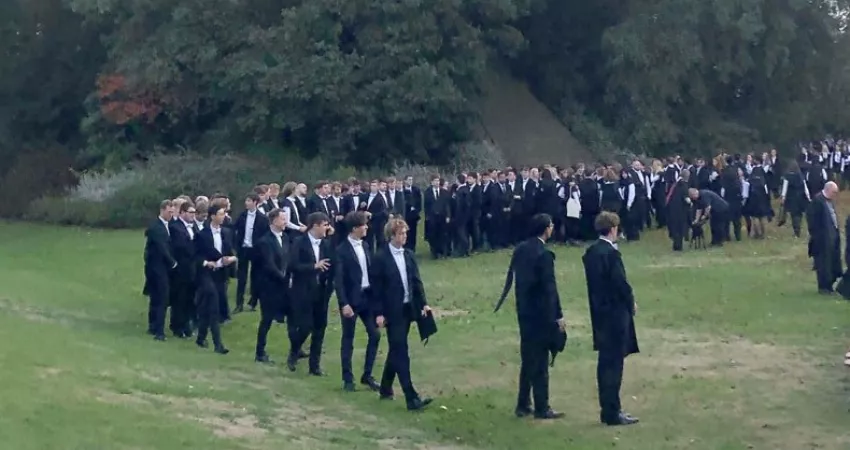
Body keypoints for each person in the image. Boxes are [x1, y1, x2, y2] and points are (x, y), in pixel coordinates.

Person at [494, 213, 566, 420]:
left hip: (524, 311)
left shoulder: (521, 249)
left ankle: (523, 403)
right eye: (551, 225)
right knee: (541, 361)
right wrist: (558, 315)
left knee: (528, 359)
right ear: (546, 229)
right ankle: (542, 407)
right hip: (541, 314)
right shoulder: (544, 255)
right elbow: (550, 289)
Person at [582, 211, 640, 426]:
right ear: (613, 228)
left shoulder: (591, 253)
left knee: (605, 363)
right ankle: (612, 411)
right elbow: (620, 283)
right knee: (614, 364)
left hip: (599, 312)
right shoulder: (611, 254)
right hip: (615, 314)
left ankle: (607, 408)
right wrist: (630, 301)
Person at [370, 218, 433, 411]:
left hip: (408, 308)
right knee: (401, 351)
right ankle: (411, 396)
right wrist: (379, 313)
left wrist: (424, 303)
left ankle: (386, 388)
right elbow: (377, 289)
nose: (405, 236)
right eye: (401, 233)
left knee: (396, 349)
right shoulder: (381, 257)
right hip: (392, 310)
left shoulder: (409, 255)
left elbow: (416, 281)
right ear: (392, 235)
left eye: (406, 233)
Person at [335, 211, 382, 392]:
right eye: (364, 225)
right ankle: (348, 378)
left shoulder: (366, 245)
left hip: (367, 298)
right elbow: (338, 281)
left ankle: (367, 375)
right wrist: (343, 303)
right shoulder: (341, 250)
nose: (367, 227)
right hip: (351, 300)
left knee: (375, 334)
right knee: (348, 338)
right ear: (355, 228)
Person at [287, 212, 335, 373]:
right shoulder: (299, 242)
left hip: (321, 291)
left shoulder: (327, 244)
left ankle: (314, 366)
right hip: (303, 290)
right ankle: (294, 352)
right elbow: (293, 265)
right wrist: (313, 266)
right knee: (305, 326)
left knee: (320, 328)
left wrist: (330, 284)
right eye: (325, 225)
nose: (327, 228)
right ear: (315, 225)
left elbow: (332, 265)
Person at [194, 204, 236, 354]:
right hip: (206, 273)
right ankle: (218, 344)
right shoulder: (202, 234)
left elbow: (232, 253)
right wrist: (207, 262)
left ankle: (200, 338)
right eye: (220, 214)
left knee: (207, 307)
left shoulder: (226, 232)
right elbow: (195, 256)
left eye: (224, 214)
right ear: (212, 216)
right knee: (213, 306)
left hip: (220, 274)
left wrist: (229, 260)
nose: (223, 216)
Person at [254, 208, 291, 364]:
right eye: (283, 219)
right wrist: (284, 278)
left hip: (285, 285)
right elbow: (269, 265)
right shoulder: (264, 242)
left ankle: (296, 348)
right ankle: (260, 352)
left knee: (294, 317)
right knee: (267, 319)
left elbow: (288, 259)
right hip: (269, 286)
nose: (285, 222)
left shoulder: (286, 238)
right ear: (274, 220)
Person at [143, 200, 177, 341]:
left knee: (156, 298)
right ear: (162, 210)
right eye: (169, 212)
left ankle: (153, 326)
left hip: (161, 268)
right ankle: (159, 331)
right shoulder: (156, 228)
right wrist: (173, 262)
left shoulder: (167, 226)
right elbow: (162, 248)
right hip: (157, 268)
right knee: (161, 298)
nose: (171, 215)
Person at [807, 181, 842, 294]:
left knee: (832, 262)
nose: (835, 195)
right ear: (828, 190)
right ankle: (823, 287)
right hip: (822, 240)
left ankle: (829, 286)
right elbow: (812, 221)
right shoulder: (817, 201)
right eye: (834, 192)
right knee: (823, 264)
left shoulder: (829, 201)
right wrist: (818, 236)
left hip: (832, 237)